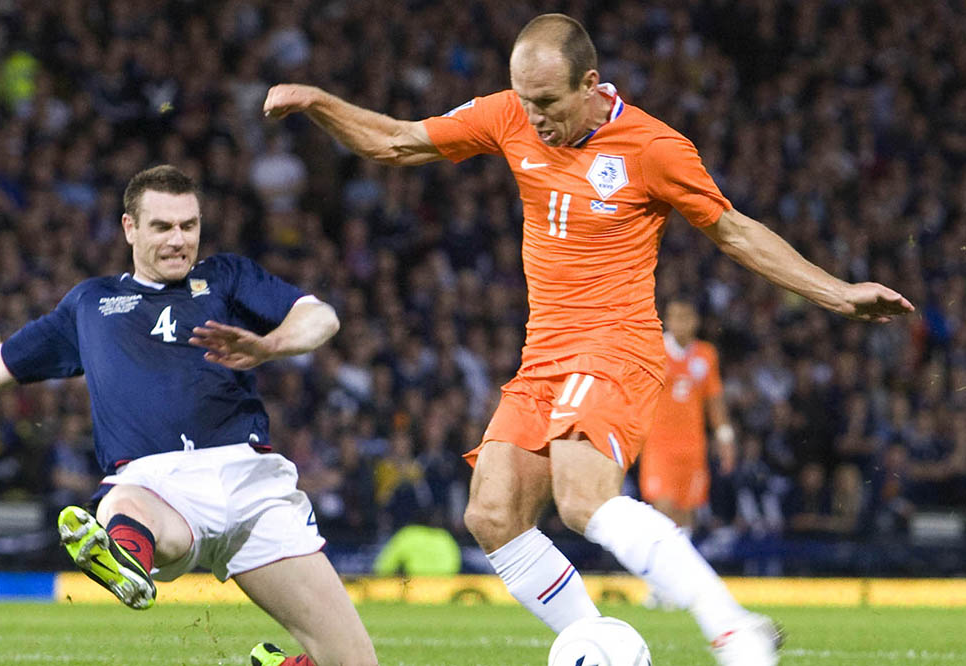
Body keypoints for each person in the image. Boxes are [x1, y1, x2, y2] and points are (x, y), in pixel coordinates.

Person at [263, 13, 913, 666]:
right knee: (491, 514)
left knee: (582, 499)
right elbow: (397, 142)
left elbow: (735, 231)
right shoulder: (510, 114)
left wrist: (836, 291)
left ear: (591, 85)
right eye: (524, 100)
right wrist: (319, 102)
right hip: (542, 356)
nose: (535, 118)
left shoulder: (653, 147)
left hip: (616, 346)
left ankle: (733, 629)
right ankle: (599, 644)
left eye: (548, 102)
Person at [0, 165, 377, 666]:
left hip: (251, 484)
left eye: (189, 226)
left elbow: (322, 317)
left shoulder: (225, 277)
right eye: (163, 227)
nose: (179, 240)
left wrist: (272, 344)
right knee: (129, 503)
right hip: (158, 485)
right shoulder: (91, 304)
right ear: (129, 228)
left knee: (354, 662)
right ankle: (123, 558)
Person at [639, 299, 736, 531]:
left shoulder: (706, 354)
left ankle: (677, 564)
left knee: (687, 514)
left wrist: (725, 439)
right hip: (659, 446)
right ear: (667, 320)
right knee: (663, 509)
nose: (679, 323)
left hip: (693, 447)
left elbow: (715, 401)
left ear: (695, 321)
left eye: (685, 317)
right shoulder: (654, 351)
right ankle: (661, 565)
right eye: (674, 317)